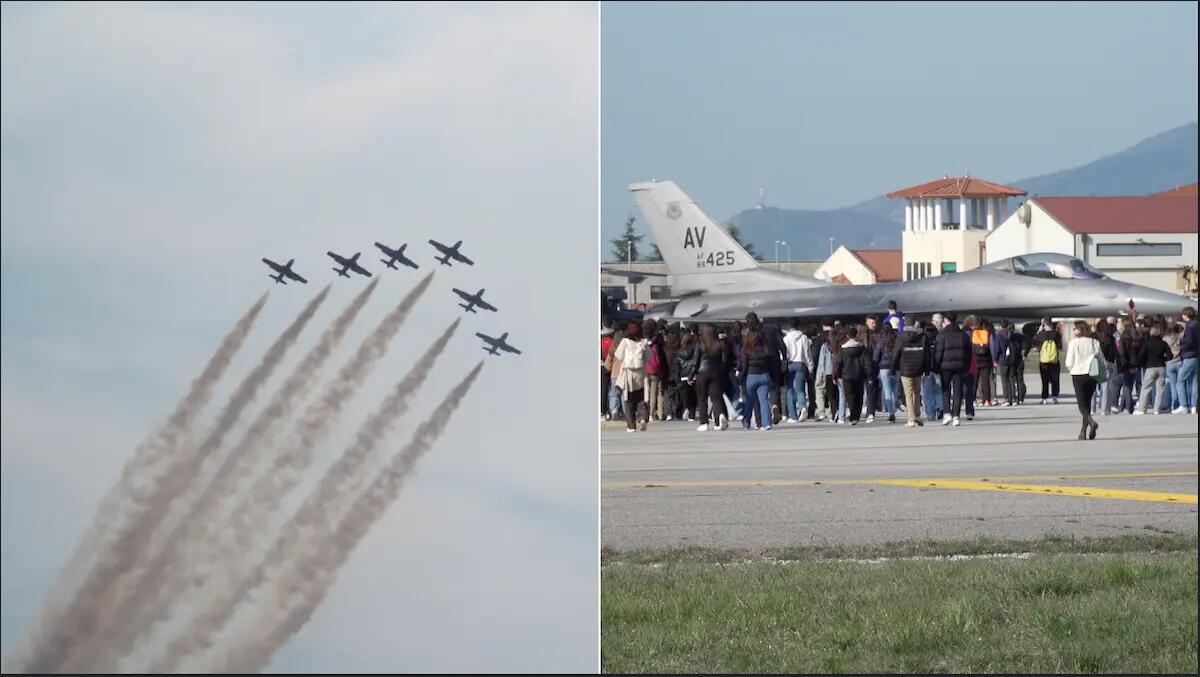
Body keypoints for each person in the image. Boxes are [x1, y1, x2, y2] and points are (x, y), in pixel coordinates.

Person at [1064, 320, 1102, 440]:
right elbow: (1100, 358)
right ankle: (1083, 431)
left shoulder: (1074, 343)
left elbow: (1069, 361)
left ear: (1080, 330)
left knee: (1081, 404)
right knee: (1087, 403)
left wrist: (1071, 368)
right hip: (1092, 374)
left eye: (1075, 328)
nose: (1074, 331)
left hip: (1078, 373)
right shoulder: (1094, 342)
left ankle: (1091, 422)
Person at [935, 312, 970, 426]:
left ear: (946, 320)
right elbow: (968, 352)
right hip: (960, 366)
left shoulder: (942, 335)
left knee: (945, 390)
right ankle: (956, 416)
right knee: (958, 392)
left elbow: (938, 352)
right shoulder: (963, 335)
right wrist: (967, 366)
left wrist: (936, 365)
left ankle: (947, 413)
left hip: (945, 366)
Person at [612, 322, 648, 432]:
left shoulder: (625, 342)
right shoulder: (643, 343)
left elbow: (618, 355)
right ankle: (642, 418)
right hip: (641, 374)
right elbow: (649, 357)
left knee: (628, 400)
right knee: (641, 398)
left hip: (628, 374)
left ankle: (631, 426)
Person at [695, 324, 731, 431]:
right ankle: (719, 418)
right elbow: (724, 360)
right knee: (716, 397)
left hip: (702, 372)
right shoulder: (720, 344)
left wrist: (692, 374)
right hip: (717, 372)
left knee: (702, 398)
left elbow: (696, 361)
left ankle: (704, 423)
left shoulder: (700, 345)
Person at [893, 320, 927, 427]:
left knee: (908, 393)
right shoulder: (922, 336)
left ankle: (911, 419)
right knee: (917, 392)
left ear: (906, 324)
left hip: (906, 367)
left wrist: (893, 368)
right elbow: (927, 353)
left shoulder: (902, 336)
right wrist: (927, 368)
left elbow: (896, 352)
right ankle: (917, 415)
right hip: (918, 367)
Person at [834, 326, 870, 426]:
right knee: (859, 395)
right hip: (859, 374)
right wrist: (869, 374)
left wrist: (836, 375)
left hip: (846, 375)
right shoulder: (862, 348)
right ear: (856, 335)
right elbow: (866, 362)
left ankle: (852, 415)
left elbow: (839, 362)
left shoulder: (843, 348)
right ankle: (856, 416)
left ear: (848, 335)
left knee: (849, 396)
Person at [739, 329, 774, 430]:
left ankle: (746, 422)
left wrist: (741, 379)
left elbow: (744, 366)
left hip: (751, 377)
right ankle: (766, 423)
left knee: (749, 401)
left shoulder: (746, 350)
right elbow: (771, 363)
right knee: (763, 400)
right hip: (764, 376)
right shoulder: (765, 349)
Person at [1135, 325, 1173, 415]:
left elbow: (1141, 356)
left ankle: (1142, 409)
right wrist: (1163, 359)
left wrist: (1143, 364)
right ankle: (1157, 409)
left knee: (1146, 388)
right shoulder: (1163, 343)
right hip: (1161, 367)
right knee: (1160, 390)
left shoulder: (1147, 343)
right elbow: (1170, 356)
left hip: (1150, 367)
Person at [783, 318, 813, 422]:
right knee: (800, 390)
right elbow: (807, 353)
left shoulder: (786, 338)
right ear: (799, 325)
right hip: (801, 363)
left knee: (790, 390)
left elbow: (784, 353)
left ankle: (792, 415)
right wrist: (810, 366)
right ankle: (802, 407)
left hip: (790, 363)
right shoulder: (804, 338)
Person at [642, 319, 667, 422]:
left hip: (644, 369)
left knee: (645, 392)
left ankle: (645, 413)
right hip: (655, 369)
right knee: (654, 392)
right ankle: (653, 413)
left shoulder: (642, 342)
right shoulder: (658, 342)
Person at [873, 322, 898, 423]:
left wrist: (875, 366)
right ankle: (895, 405)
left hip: (883, 367)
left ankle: (891, 413)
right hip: (896, 367)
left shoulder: (881, 341)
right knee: (894, 390)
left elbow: (876, 356)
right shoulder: (896, 339)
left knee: (887, 390)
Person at [1033, 318, 1062, 404]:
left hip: (1044, 360)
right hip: (1054, 360)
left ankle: (1044, 398)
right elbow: (1060, 345)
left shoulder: (1041, 334)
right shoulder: (1056, 334)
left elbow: (1034, 341)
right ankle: (1055, 397)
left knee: (1044, 380)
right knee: (1055, 379)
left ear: (1044, 324)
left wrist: (1039, 330)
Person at [674, 329, 700, 420]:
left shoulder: (678, 353)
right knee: (694, 397)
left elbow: (677, 367)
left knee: (685, 397)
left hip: (683, 377)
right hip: (693, 376)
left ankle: (686, 409)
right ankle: (692, 416)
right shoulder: (695, 351)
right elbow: (696, 363)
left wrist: (677, 380)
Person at [1176, 307, 1197, 414]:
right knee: (1194, 381)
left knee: (1180, 380)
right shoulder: (1196, 325)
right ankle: (1194, 406)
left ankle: (1183, 405)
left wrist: (1182, 348)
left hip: (1189, 355)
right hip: (1196, 356)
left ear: (1186, 315)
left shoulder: (1190, 326)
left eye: (1183, 315)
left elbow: (1188, 341)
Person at [922, 315, 943, 421]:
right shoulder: (938, 340)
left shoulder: (923, 341)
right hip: (938, 369)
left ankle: (930, 414)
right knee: (938, 390)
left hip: (926, 370)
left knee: (927, 393)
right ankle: (940, 406)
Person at [971, 317, 995, 406]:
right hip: (985, 360)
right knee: (986, 381)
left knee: (974, 381)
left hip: (975, 360)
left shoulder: (973, 333)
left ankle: (973, 400)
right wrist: (993, 359)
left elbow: (970, 346)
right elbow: (991, 347)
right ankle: (987, 400)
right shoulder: (987, 333)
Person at [814, 327, 834, 421]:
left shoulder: (825, 346)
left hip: (826, 372)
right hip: (835, 371)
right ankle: (831, 412)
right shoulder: (838, 345)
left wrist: (820, 374)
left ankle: (821, 412)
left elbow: (822, 362)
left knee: (819, 391)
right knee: (832, 394)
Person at [605, 327, 625, 420]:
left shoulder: (612, 349)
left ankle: (614, 411)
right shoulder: (626, 348)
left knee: (614, 394)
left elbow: (607, 363)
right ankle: (626, 411)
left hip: (614, 374)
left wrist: (608, 369)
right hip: (625, 373)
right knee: (624, 394)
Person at [1163, 321, 1183, 414]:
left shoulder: (1165, 339)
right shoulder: (1180, 337)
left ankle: (1174, 405)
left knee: (1173, 386)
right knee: (1182, 384)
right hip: (1180, 361)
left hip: (1169, 363)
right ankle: (1183, 404)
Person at [600, 318, 614, 421]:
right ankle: (610, 410)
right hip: (611, 366)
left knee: (603, 389)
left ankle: (602, 411)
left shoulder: (599, 338)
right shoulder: (613, 339)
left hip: (600, 365)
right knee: (610, 389)